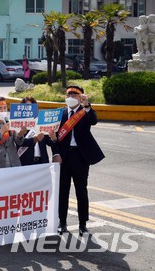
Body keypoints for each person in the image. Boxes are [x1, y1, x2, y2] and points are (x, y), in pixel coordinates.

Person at [51, 85, 104, 237]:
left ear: (81, 97)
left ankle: (83, 224)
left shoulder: (84, 112)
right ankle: (62, 222)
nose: (71, 96)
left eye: (75, 94)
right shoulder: (60, 113)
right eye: (69, 93)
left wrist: (87, 105)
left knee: (81, 191)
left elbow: (93, 121)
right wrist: (56, 152)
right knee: (63, 191)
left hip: (80, 157)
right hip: (64, 157)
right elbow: (52, 136)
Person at [18, 96, 55, 165]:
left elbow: (49, 142)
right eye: (26, 107)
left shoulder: (41, 122)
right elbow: (19, 142)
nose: (29, 109)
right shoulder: (18, 123)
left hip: (42, 161)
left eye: (32, 107)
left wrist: (53, 138)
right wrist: (35, 139)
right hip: (25, 162)